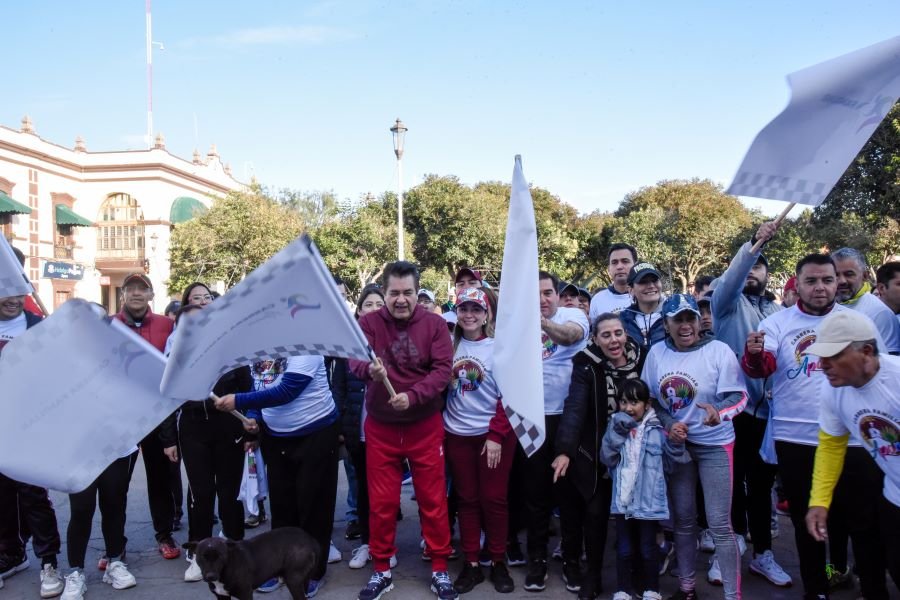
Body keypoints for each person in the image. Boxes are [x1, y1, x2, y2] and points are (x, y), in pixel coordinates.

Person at [742, 253, 888, 600]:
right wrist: (754, 355)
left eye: (827, 280)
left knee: (862, 523)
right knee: (808, 522)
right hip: (796, 437)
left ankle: (869, 587)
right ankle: (816, 589)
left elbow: (878, 374)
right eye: (811, 281)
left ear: (837, 281)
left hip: (854, 438)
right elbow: (763, 368)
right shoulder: (777, 322)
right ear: (798, 283)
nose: (820, 287)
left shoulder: (858, 322)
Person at [348, 261, 456, 600]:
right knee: (381, 503)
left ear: (416, 291)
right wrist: (369, 370)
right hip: (381, 428)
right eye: (394, 293)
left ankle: (439, 567)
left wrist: (413, 396)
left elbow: (442, 370)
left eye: (407, 293)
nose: (400, 300)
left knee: (433, 500)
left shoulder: (435, 325)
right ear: (385, 292)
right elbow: (353, 361)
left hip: (424, 425)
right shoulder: (367, 324)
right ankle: (382, 568)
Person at [643, 294, 747, 600]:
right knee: (684, 520)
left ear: (700, 322)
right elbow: (650, 401)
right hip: (678, 447)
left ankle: (733, 595)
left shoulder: (719, 351)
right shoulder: (657, 353)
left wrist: (720, 412)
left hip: (715, 445)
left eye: (690, 318)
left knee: (719, 524)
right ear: (666, 324)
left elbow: (739, 396)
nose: (685, 325)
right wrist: (667, 424)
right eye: (678, 320)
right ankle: (687, 589)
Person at [215, 345, 340, 597]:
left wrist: (237, 400)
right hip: (276, 437)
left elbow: (287, 390)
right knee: (283, 508)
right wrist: (253, 417)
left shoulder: (307, 346)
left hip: (315, 433)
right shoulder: (260, 349)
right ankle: (277, 568)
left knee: (313, 509)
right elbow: (259, 386)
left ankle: (312, 572)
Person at [710, 221, 790, 587]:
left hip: (767, 416)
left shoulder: (778, 316)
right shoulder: (727, 304)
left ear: (769, 275)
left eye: (760, 267)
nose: (754, 272)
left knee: (761, 488)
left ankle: (762, 554)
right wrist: (754, 245)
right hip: (732, 414)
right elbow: (733, 277)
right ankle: (729, 549)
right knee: (730, 486)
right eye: (750, 266)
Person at [802, 310, 899, 594]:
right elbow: (831, 445)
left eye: (833, 356)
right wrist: (819, 501)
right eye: (821, 356)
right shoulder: (833, 391)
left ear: (867, 351)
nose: (823, 365)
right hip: (894, 496)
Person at [553, 312, 645, 599]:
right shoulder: (586, 363)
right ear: (595, 338)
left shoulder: (643, 358)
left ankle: (638, 575)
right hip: (597, 452)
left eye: (617, 333)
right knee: (595, 514)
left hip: (638, 451)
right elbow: (576, 407)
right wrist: (565, 451)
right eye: (605, 335)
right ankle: (592, 574)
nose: (613, 340)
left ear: (625, 334)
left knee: (637, 515)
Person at [511, 271, 589, 593]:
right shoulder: (519, 321)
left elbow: (569, 337)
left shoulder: (573, 315)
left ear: (557, 295)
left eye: (547, 293)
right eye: (536, 294)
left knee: (569, 497)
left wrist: (539, 322)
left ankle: (571, 562)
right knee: (535, 496)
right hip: (531, 420)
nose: (542, 300)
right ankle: (537, 562)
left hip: (569, 420)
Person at [173, 293, 254, 583]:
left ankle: (235, 545)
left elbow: (246, 390)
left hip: (229, 430)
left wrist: (249, 431)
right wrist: (169, 439)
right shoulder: (176, 358)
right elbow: (172, 400)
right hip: (194, 432)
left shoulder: (232, 352)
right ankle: (199, 550)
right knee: (201, 494)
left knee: (230, 492)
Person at [443, 288, 516, 594]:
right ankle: (471, 562)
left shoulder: (499, 347)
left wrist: (497, 434)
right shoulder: (448, 346)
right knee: (467, 500)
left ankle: (498, 560)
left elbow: (511, 394)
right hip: (457, 434)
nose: (469, 314)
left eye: (476, 309)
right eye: (464, 309)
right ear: (457, 313)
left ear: (487, 314)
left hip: (494, 436)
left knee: (494, 499)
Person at [0, 293, 64, 598]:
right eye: (4, 294)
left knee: (33, 496)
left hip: (30, 428)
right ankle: (11, 554)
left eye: (16, 293)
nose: (12, 300)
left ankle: (48, 562)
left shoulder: (38, 326)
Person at [601, 379, 688, 600]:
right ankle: (623, 590)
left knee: (648, 549)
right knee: (624, 549)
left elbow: (669, 465)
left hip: (649, 502)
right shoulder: (615, 425)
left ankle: (652, 590)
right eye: (623, 401)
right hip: (623, 501)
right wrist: (617, 434)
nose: (628, 408)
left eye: (634, 402)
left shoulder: (658, 430)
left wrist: (676, 442)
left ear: (647, 404)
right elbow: (607, 458)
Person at [113, 273, 180, 561]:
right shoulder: (110, 326)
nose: (137, 293)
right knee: (115, 485)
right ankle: (114, 543)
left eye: (143, 289)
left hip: (157, 417)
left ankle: (164, 535)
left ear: (152, 294)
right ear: (123, 295)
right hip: (122, 417)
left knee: (160, 480)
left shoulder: (168, 325)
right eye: (131, 289)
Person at [338, 285, 393, 570]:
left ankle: (387, 545)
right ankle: (367, 543)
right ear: (359, 310)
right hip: (357, 431)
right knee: (362, 489)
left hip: (388, 429)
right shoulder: (346, 347)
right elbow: (339, 389)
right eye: (367, 304)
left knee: (385, 492)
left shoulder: (393, 340)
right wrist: (341, 426)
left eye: (378, 304)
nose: (373, 308)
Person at [832, 247, 900, 354]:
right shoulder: (825, 308)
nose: (841, 281)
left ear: (865, 276)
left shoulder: (879, 312)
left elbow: (889, 361)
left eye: (849, 274)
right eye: (836, 275)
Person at [620, 263, 666, 352]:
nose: (651, 286)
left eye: (655, 280)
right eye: (643, 282)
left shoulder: (674, 314)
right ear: (631, 290)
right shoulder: (623, 319)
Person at [589, 243, 637, 322]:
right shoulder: (597, 300)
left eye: (625, 261)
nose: (619, 267)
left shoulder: (647, 296)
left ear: (635, 265)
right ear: (609, 268)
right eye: (614, 262)